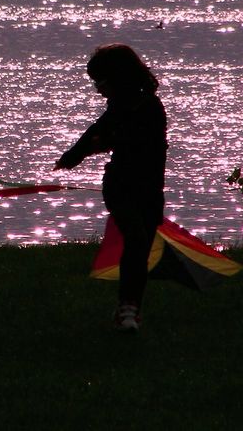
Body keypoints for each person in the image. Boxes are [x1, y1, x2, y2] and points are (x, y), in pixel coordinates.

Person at [55, 44, 167, 332]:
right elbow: (95, 131)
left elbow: (139, 142)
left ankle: (130, 307)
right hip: (120, 185)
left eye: (101, 81)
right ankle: (127, 311)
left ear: (120, 77)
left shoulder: (151, 107)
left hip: (150, 189)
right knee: (136, 240)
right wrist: (73, 155)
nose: (97, 88)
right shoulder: (115, 108)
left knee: (138, 249)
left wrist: (107, 142)